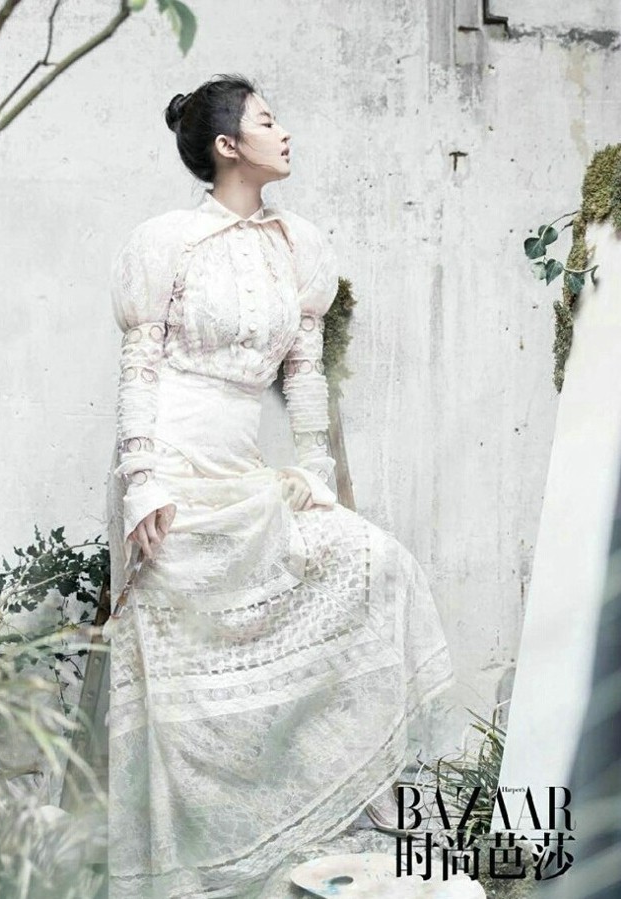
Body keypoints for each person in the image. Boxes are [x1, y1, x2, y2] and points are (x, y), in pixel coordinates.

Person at [104, 72, 454, 899]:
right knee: (183, 687)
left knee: (377, 564)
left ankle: (297, 839)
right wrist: (141, 480)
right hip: (173, 477)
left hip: (244, 475)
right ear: (229, 146)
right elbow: (140, 366)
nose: (285, 132)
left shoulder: (298, 245)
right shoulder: (166, 242)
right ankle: (190, 875)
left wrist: (314, 472)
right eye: (268, 120)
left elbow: (303, 374)